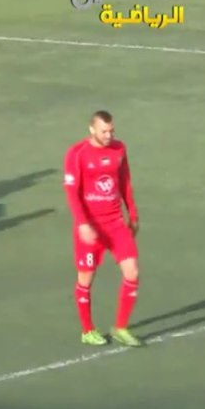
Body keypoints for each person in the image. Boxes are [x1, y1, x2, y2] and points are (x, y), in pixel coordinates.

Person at [63, 110, 143, 347]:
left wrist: (133, 214)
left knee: (132, 273)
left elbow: (125, 182)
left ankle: (120, 327)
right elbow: (72, 192)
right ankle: (87, 330)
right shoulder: (77, 154)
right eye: (104, 131)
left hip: (116, 224)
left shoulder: (119, 149)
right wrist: (83, 223)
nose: (109, 135)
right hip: (91, 227)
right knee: (86, 279)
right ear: (92, 129)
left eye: (111, 131)